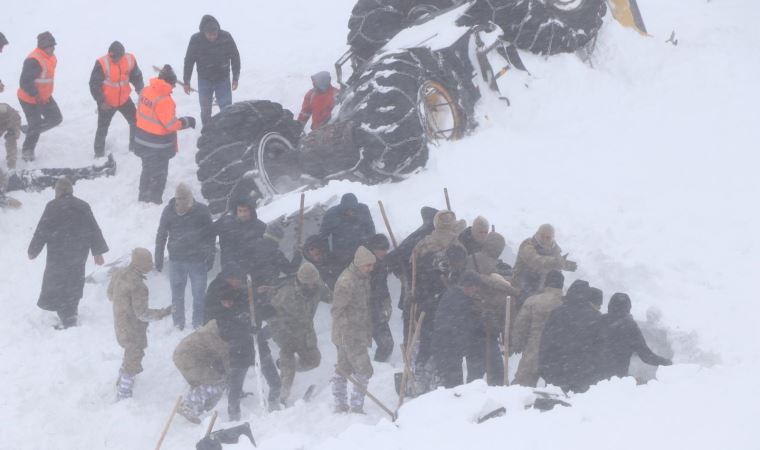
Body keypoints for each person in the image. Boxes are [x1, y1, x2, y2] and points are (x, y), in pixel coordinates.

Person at [28, 177, 109, 328]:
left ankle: (67, 317)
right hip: (78, 254)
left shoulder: (52, 206)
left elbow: (41, 231)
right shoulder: (83, 206)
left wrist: (33, 251)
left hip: (58, 255)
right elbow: (94, 229)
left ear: (57, 192)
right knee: (74, 283)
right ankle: (70, 314)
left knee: (57, 284)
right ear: (71, 191)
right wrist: (98, 252)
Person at [107, 248, 172, 400]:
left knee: (129, 353)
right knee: (134, 355)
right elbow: (142, 314)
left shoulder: (118, 274)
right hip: (133, 327)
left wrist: (122, 304)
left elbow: (110, 295)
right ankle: (124, 392)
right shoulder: (138, 286)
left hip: (120, 321)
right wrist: (164, 312)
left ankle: (121, 380)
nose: (151, 265)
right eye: (148, 262)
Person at [411, 210, 466, 386]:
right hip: (446, 299)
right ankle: (438, 375)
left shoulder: (423, 244)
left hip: (425, 297)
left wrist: (416, 294)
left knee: (426, 336)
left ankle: (420, 372)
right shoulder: (457, 244)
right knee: (443, 339)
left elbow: (413, 269)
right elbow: (461, 272)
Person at [269, 262, 331, 403]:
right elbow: (270, 312)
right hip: (286, 332)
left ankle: (284, 365)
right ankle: (281, 398)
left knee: (314, 361)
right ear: (300, 281)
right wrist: (279, 332)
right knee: (288, 365)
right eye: (307, 283)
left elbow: (332, 297)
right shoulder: (286, 292)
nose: (311, 286)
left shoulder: (318, 288)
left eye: (313, 283)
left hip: (306, 332)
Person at [155, 183, 214, 330]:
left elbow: (210, 235)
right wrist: (158, 257)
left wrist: (210, 255)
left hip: (198, 261)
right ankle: (178, 323)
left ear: (190, 200)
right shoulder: (168, 211)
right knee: (177, 295)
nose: (180, 205)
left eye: (183, 201)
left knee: (199, 294)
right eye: (177, 201)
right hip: (176, 261)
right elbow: (161, 235)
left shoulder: (202, 211)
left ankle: (198, 323)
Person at [133, 64, 195, 204]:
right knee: (159, 174)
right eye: (173, 85)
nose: (173, 89)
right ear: (170, 83)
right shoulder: (165, 101)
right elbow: (171, 124)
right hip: (158, 145)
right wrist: (186, 122)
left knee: (147, 169)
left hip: (142, 140)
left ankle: (143, 196)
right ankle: (155, 200)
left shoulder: (146, 90)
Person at [331, 246, 376, 414]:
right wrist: (347, 333)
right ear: (358, 265)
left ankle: (340, 404)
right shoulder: (346, 282)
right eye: (368, 266)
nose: (371, 269)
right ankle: (356, 406)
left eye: (372, 265)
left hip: (357, 331)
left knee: (344, 367)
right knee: (363, 368)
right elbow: (337, 311)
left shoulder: (363, 278)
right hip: (348, 334)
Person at [384, 206, 437, 346]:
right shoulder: (426, 236)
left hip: (414, 283)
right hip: (416, 284)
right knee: (415, 316)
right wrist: (406, 273)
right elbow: (395, 258)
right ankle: (411, 349)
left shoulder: (418, 234)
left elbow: (394, 257)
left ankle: (410, 347)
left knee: (412, 316)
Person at [592, 293, 672, 383]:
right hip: (617, 380)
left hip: (594, 380)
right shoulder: (630, 326)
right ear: (628, 308)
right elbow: (646, 356)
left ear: (610, 305)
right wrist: (667, 363)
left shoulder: (599, 321)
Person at [538, 280, 600, 393]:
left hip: (557, 371)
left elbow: (545, 343)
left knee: (555, 407)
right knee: (580, 408)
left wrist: (543, 368)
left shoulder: (556, 313)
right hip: (584, 375)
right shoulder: (596, 317)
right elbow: (600, 348)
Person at [432, 271, 487, 388]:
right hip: (447, 347)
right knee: (452, 384)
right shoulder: (458, 299)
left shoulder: (455, 295)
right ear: (469, 286)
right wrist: (481, 324)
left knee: (453, 382)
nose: (476, 292)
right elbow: (461, 323)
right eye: (475, 289)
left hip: (448, 347)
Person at [89, 41, 144, 157]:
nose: (113, 59)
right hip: (107, 102)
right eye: (111, 57)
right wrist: (101, 101)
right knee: (102, 129)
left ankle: (134, 149)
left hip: (124, 99)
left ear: (122, 55)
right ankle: (98, 154)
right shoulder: (102, 63)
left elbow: (137, 76)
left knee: (135, 121)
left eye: (116, 57)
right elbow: (94, 84)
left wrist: (140, 90)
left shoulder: (129, 60)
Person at [183, 15, 241, 127]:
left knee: (226, 108)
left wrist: (235, 78)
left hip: (222, 79)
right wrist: (186, 81)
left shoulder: (226, 37)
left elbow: (235, 57)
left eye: (214, 34)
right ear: (204, 32)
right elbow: (189, 61)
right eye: (209, 35)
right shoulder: (196, 40)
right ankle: (207, 131)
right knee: (205, 110)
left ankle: (228, 130)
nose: (212, 37)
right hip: (205, 80)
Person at [511, 270, 565, 387]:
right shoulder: (564, 303)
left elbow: (521, 325)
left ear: (546, 283)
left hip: (533, 348)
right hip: (557, 352)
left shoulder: (533, 301)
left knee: (522, 386)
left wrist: (517, 343)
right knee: (555, 390)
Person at [17, 32, 63, 162]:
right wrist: (36, 94)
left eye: (54, 45)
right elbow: (24, 82)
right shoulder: (34, 60)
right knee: (36, 125)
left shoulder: (51, 57)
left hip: (44, 97)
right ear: (44, 46)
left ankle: (30, 129)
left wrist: (43, 95)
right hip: (29, 98)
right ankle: (27, 151)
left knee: (56, 118)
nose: (54, 48)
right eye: (51, 45)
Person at [174, 318, 230, 424]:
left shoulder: (216, 326)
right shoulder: (217, 335)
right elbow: (225, 357)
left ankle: (195, 408)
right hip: (189, 358)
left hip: (187, 356)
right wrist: (230, 373)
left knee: (208, 382)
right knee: (216, 382)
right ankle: (188, 406)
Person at [512, 224, 577, 309]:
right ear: (537, 234)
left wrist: (566, 265)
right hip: (521, 285)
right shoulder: (528, 244)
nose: (545, 240)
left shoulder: (554, 248)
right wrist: (556, 262)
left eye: (548, 237)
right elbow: (535, 261)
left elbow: (557, 263)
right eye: (542, 236)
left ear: (552, 238)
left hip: (543, 287)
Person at [319, 193, 375, 270]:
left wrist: (370, 247)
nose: (350, 212)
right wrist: (328, 254)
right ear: (342, 208)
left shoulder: (363, 210)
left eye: (353, 210)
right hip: (341, 256)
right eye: (348, 210)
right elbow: (323, 235)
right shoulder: (332, 214)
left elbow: (371, 229)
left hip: (361, 253)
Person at [214, 196, 266, 275]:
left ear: (251, 211)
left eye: (245, 211)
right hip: (230, 266)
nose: (242, 214)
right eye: (240, 211)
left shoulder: (259, 226)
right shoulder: (225, 222)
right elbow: (208, 234)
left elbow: (265, 248)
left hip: (254, 265)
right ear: (236, 211)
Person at [365, 234, 394, 362]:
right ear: (373, 249)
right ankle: (375, 371)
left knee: (387, 344)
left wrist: (386, 301)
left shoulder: (382, 264)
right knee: (384, 344)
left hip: (378, 308)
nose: (384, 252)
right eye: (381, 249)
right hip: (367, 310)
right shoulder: (365, 266)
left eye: (386, 249)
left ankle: (379, 367)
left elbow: (382, 284)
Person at [0, 102, 22, 169]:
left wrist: (12, 130)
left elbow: (15, 116)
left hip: (12, 120)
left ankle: (11, 166)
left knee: (11, 138)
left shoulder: (3, 108)